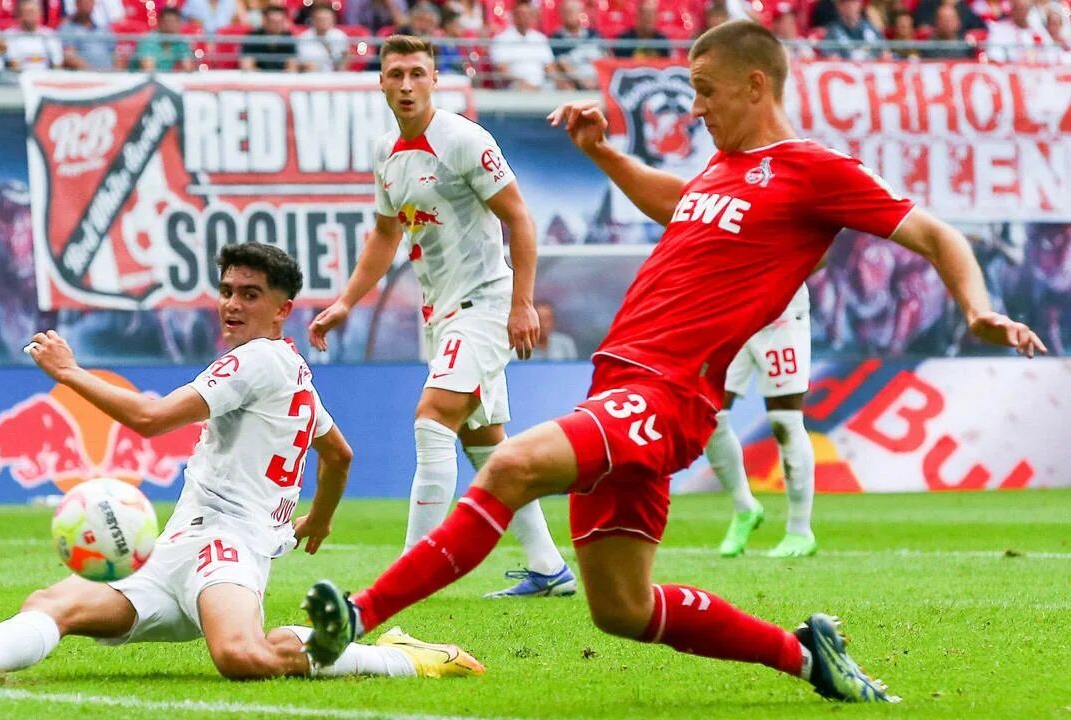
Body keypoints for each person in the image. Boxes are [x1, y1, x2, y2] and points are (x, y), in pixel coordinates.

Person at [299, 20, 1046, 703]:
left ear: (756, 84)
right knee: (623, 608)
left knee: (512, 465)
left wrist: (976, 309)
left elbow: (936, 234)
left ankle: (359, 614)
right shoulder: (724, 172)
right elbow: (675, 202)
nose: (695, 107)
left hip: (670, 394)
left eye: (705, 90)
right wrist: (602, 155)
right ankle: (808, 657)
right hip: (621, 384)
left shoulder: (815, 171)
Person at [0, 243, 483, 690]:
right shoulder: (290, 368)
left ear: (282, 309)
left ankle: (401, 657)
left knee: (242, 656)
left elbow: (151, 418)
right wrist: (317, 519)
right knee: (54, 601)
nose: (232, 304)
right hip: (174, 551)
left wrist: (70, 372)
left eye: (250, 294)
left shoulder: (256, 361)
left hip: (228, 549)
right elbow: (339, 455)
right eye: (227, 291)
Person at [309, 35, 576, 598]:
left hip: (485, 303)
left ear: (434, 79)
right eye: (396, 75)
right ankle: (549, 569)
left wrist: (522, 302)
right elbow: (385, 235)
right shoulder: (386, 152)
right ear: (381, 83)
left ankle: (408, 576)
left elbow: (520, 219)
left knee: (433, 420)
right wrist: (347, 302)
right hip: (443, 313)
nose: (407, 85)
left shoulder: (464, 140)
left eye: (417, 74)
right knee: (485, 440)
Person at [704, 285, 819, 558]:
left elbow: (818, 261)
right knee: (708, 414)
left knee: (784, 420)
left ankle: (799, 530)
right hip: (732, 311)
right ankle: (745, 508)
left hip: (780, 314)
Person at [490, 1, 556, 91]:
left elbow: (549, 67)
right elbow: (502, 70)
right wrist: (523, 84)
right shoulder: (501, 39)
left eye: (528, 15)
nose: (525, 18)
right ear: (514, 16)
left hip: (541, 87)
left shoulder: (540, 38)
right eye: (521, 14)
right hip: (515, 87)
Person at [4, 0, 64, 74]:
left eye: (32, 12)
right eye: (26, 12)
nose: (29, 16)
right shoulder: (9, 35)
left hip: (46, 76)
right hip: (20, 77)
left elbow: (57, 63)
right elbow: (13, 64)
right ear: (18, 14)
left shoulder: (50, 35)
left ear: (40, 13)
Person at [132, 7, 196, 72]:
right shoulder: (148, 41)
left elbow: (188, 68)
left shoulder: (180, 42)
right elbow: (148, 70)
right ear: (159, 22)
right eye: (167, 21)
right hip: (137, 77)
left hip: (165, 77)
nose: (171, 25)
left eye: (175, 21)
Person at [58, 0, 117, 70]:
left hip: (109, 74)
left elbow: (115, 54)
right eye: (83, 2)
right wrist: (92, 72)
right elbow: (69, 57)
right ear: (77, 4)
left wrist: (117, 72)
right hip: (84, 75)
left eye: (90, 1)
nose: (87, 5)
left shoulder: (103, 28)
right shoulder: (67, 28)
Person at [239, 4, 299, 71]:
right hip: (258, 76)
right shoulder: (253, 37)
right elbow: (247, 65)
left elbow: (292, 66)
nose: (277, 25)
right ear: (264, 20)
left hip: (282, 76)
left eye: (280, 21)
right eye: (273, 22)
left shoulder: (288, 38)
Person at [295, 4, 348, 71]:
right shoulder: (304, 37)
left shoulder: (340, 36)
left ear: (333, 20)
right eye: (320, 19)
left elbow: (343, 64)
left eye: (326, 19)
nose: (323, 22)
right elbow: (303, 60)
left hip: (334, 74)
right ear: (313, 20)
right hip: (311, 73)